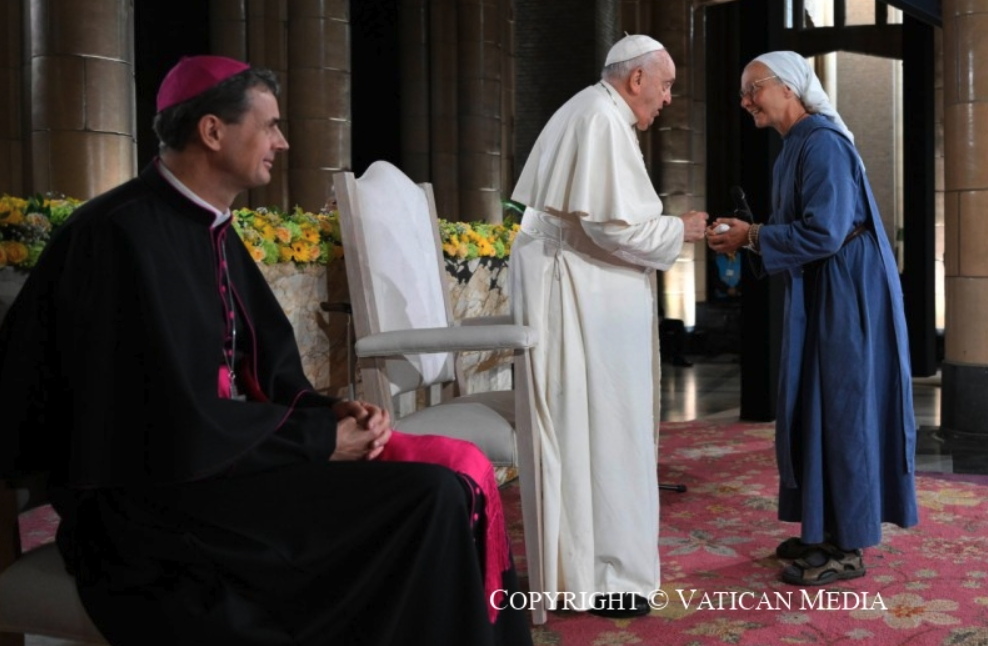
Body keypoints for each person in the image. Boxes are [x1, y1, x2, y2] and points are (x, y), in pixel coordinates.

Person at [0, 55, 533, 645]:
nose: (281, 141)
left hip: (226, 467)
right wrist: (320, 440)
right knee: (427, 500)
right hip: (155, 503)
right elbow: (165, 423)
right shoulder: (116, 236)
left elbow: (269, 375)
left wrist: (331, 414)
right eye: (270, 125)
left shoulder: (213, 229)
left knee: (446, 488)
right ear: (211, 131)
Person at [509, 34, 708, 617]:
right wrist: (681, 230)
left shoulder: (599, 112)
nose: (668, 99)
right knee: (599, 428)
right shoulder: (600, 117)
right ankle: (601, 576)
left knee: (600, 428)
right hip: (575, 291)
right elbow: (611, 229)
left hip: (580, 287)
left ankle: (589, 569)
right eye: (666, 84)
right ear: (637, 79)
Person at [706, 51, 918, 586]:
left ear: (789, 88)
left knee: (842, 407)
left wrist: (752, 237)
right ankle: (825, 526)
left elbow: (824, 232)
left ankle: (847, 545)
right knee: (816, 405)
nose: (745, 101)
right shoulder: (795, 146)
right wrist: (751, 234)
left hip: (848, 290)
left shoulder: (821, 142)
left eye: (753, 89)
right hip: (828, 285)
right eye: (742, 92)